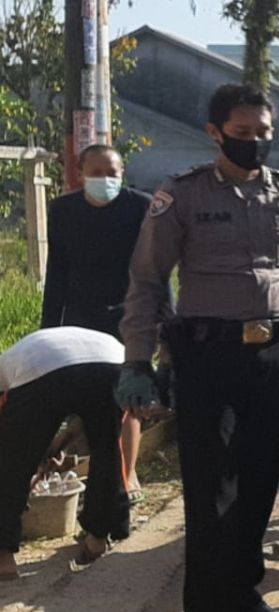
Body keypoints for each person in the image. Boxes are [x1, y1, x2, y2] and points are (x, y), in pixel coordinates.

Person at [117, 84, 279, 612]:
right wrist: (135, 361)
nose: (254, 143)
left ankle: (245, 597)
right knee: (209, 488)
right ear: (215, 132)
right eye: (242, 133)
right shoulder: (183, 196)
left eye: (263, 133)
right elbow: (148, 281)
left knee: (258, 480)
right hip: (207, 358)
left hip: (273, 356)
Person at [42, 144, 153, 504]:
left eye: (113, 173)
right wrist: (49, 330)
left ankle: (128, 473)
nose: (105, 180)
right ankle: (95, 469)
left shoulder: (139, 207)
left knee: (128, 397)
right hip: (79, 320)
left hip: (127, 316)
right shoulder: (63, 211)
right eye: (97, 172)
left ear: (123, 174)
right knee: (88, 397)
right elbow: (56, 273)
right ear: (80, 174)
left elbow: (154, 270)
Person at [0, 327, 131, 580]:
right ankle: (98, 538)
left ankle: (3, 556)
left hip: (42, 366)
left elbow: (13, 439)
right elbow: (80, 407)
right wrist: (54, 446)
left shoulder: (7, 371)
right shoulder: (19, 355)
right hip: (115, 361)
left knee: (11, 463)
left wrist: (33, 454)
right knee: (107, 450)